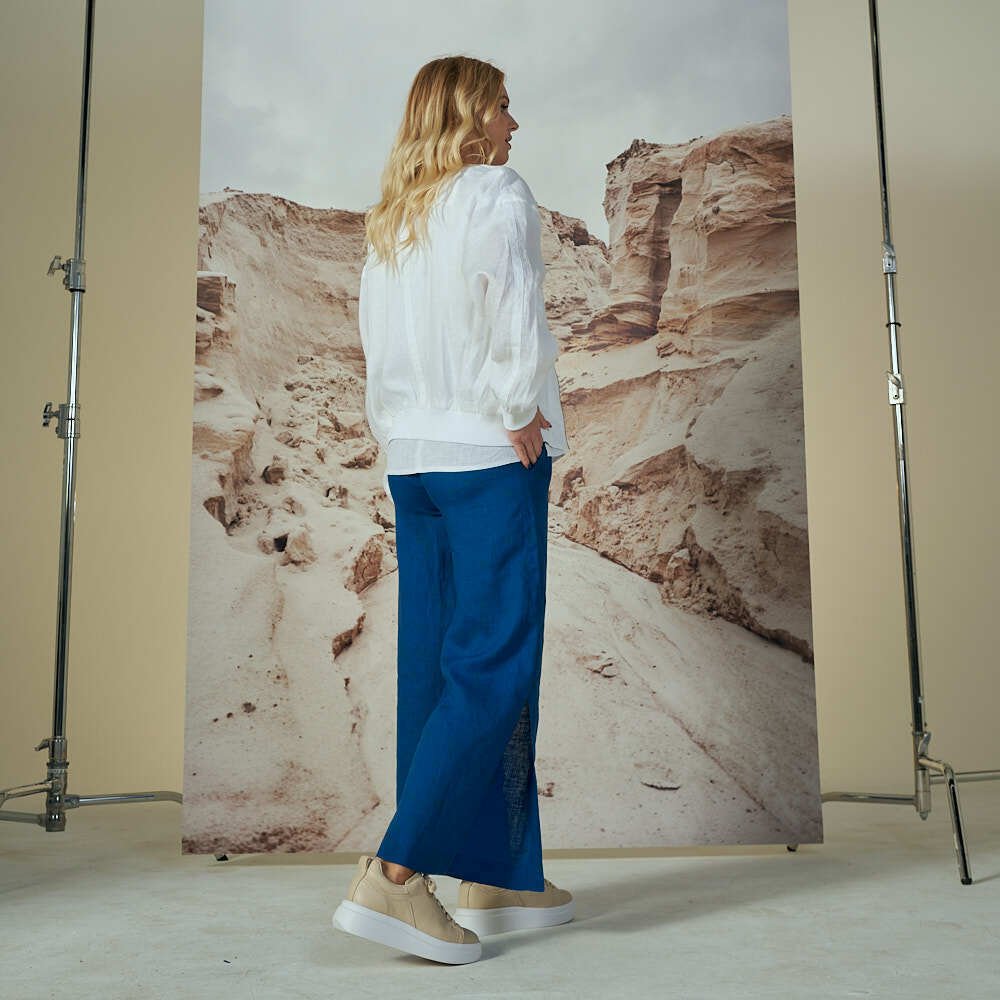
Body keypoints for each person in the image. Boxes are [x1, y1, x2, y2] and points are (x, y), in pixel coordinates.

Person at [332, 55, 575, 965]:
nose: (515, 123)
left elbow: (378, 352)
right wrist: (517, 407)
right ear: (471, 118)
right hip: (488, 453)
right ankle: (396, 874)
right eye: (503, 106)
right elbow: (512, 308)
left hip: (416, 462)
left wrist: (402, 436)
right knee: (497, 665)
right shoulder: (495, 192)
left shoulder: (393, 218)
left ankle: (498, 873)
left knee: (436, 669)